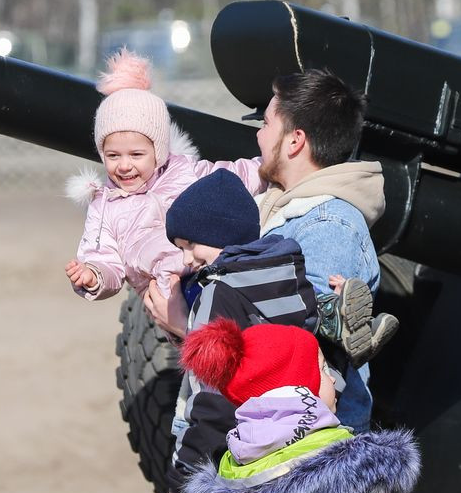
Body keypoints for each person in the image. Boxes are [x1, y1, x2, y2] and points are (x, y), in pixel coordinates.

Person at [157, 169, 398, 493]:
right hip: (310, 431)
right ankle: (336, 315)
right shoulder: (286, 270)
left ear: (218, 232)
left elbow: (213, 397)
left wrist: (183, 481)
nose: (187, 259)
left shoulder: (217, 294)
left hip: (253, 454)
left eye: (189, 245)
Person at [146, 68, 384, 434]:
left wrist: (186, 326)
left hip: (297, 458)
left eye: (267, 123)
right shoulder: (273, 210)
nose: (258, 134)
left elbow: (301, 356)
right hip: (260, 437)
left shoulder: (328, 226)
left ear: (294, 141)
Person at [176, 318, 425, 493]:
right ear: (301, 390)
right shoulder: (348, 470)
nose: (333, 379)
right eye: (323, 369)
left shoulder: (230, 472)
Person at [64, 48, 263, 302]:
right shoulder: (104, 205)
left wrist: (270, 166)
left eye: (136, 155)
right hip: (166, 294)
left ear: (157, 150)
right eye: (113, 156)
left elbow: (234, 177)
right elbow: (105, 258)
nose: (124, 165)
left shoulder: (183, 171)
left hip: (211, 271)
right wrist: (93, 274)